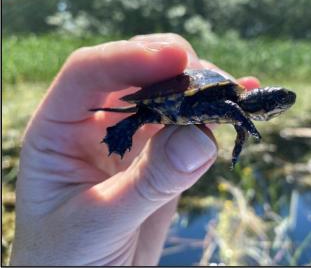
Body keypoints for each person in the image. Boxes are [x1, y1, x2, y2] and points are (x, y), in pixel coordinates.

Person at [10, 33, 259, 265]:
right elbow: (233, 110)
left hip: (176, 106)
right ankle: (124, 129)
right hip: (171, 102)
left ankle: (127, 127)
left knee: (145, 118)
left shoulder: (232, 105)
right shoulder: (231, 102)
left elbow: (235, 116)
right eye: (276, 101)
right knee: (139, 117)